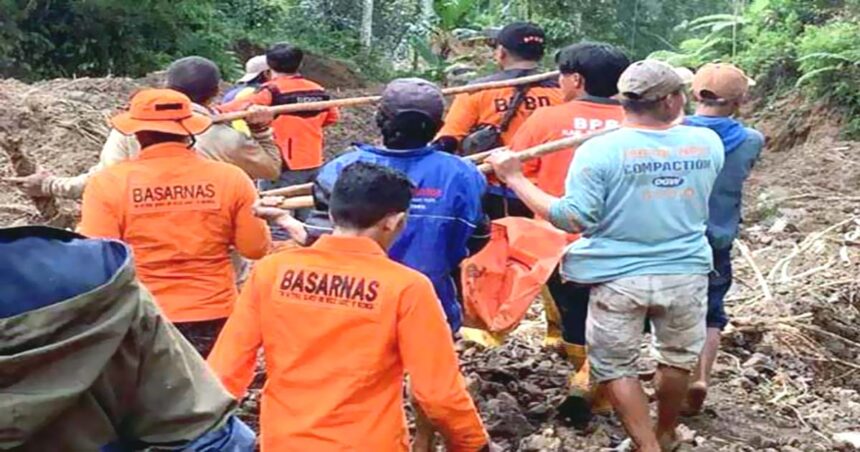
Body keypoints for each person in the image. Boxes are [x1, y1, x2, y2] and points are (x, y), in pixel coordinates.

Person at [488, 59, 724, 452]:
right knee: (677, 360)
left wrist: (513, 177)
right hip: (686, 272)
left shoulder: (599, 151)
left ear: (623, 99)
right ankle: (665, 433)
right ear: (669, 101)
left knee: (615, 366)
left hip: (617, 278)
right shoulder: (707, 144)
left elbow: (571, 217)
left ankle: (646, 446)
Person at [208, 162, 490, 451]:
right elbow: (438, 394)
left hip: (284, 441)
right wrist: (473, 444)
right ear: (395, 221)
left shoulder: (272, 272)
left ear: (331, 213)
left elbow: (226, 368)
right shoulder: (406, 288)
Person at [264, 78, 488, 334]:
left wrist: (283, 218)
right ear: (439, 126)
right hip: (432, 309)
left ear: (379, 119)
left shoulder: (341, 169)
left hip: (354, 312)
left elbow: (320, 239)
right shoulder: (465, 174)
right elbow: (477, 238)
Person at [0, 226, 255, 450]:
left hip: (125, 319)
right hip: (123, 319)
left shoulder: (110, 182)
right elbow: (254, 245)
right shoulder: (87, 271)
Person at [77, 88, 271, 357]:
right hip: (213, 312)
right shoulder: (231, 178)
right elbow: (255, 249)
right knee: (207, 392)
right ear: (188, 130)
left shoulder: (108, 183)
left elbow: (99, 259)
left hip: (140, 311)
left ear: (136, 132)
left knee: (149, 395)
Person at [507, 41, 630, 422]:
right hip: (628, 243)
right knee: (619, 316)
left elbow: (516, 176)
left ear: (575, 79)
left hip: (561, 242)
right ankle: (601, 385)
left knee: (575, 314)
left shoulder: (545, 121)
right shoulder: (641, 122)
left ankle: (586, 378)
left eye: (561, 74)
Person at [7, 56, 281, 199]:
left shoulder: (128, 131)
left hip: (143, 276)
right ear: (214, 94)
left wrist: (50, 185)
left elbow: (100, 182)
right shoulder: (225, 142)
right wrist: (261, 130)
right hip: (210, 286)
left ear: (167, 86)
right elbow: (270, 169)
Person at [682, 63, 764, 415]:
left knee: (668, 310)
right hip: (717, 239)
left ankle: (669, 374)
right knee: (711, 313)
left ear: (692, 94)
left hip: (674, 236)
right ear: (741, 99)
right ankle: (700, 377)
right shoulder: (751, 140)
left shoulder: (673, 132)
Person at [437, 22, 563, 219]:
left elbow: (449, 139)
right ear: (540, 54)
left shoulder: (477, 91)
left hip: (496, 190)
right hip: (550, 195)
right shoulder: (564, 91)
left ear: (501, 52)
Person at [220, 42, 339, 238]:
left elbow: (234, 109)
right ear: (299, 64)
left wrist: (208, 112)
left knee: (277, 220)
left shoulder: (271, 91)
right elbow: (332, 117)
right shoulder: (317, 90)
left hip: (283, 165)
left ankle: (279, 260)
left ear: (269, 65)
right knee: (307, 221)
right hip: (313, 161)